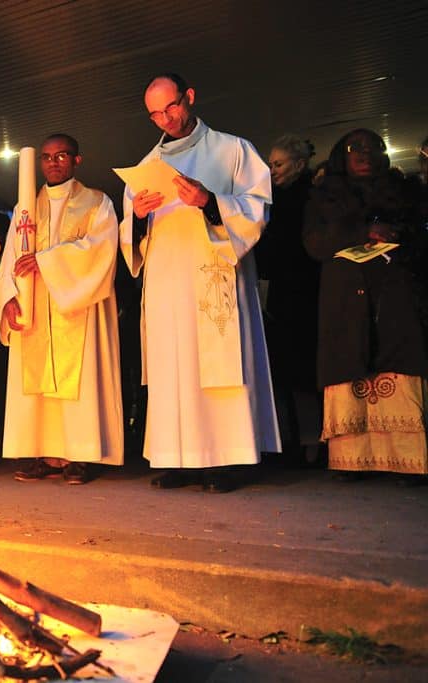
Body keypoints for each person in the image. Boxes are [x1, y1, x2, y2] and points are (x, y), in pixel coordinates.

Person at [119, 74, 279, 493]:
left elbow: (258, 209)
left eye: (170, 107)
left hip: (214, 276)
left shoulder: (233, 150)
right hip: (167, 285)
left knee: (218, 365)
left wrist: (209, 202)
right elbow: (130, 237)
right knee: (175, 367)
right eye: (154, 113)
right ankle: (178, 458)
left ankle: (227, 460)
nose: (164, 119)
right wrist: (136, 216)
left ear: (189, 97)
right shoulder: (145, 165)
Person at [0, 133, 123, 484]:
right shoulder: (26, 206)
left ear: (76, 160)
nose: (53, 162)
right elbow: (10, 258)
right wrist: (7, 298)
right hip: (34, 306)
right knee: (36, 390)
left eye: (61, 155)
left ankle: (79, 455)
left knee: (79, 383)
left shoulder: (98, 203)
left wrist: (48, 262)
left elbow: (101, 249)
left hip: (75, 307)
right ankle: (43, 453)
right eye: (47, 157)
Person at [303, 128, 428, 481]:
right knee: (350, 369)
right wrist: (363, 230)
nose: (364, 154)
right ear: (342, 155)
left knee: (398, 366)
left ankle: (403, 461)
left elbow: (419, 235)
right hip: (345, 298)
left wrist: (396, 234)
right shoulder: (324, 196)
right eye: (354, 148)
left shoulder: (404, 193)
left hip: (393, 296)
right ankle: (353, 462)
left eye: (372, 147)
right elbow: (314, 242)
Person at [254, 136, 322, 465]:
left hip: (306, 290)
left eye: (278, 164)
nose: (272, 170)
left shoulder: (314, 194)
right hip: (279, 291)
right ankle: (287, 440)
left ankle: (311, 442)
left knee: (303, 369)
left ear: (298, 164)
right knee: (280, 367)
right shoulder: (271, 197)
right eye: (270, 164)